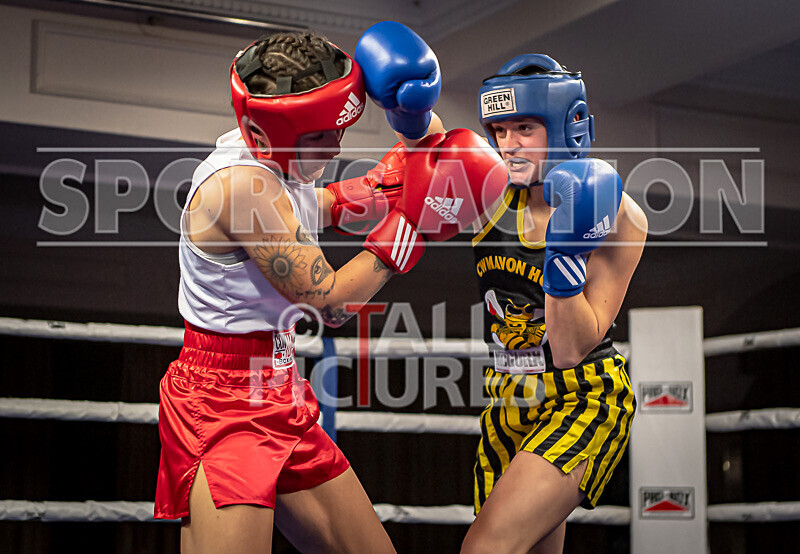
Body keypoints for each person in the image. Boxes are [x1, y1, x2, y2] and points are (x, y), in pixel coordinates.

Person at [153, 29, 504, 553]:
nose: (336, 147)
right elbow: (331, 302)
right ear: (263, 132)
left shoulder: (272, 159)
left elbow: (321, 205)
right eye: (319, 137)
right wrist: (415, 222)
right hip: (223, 402)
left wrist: (413, 128)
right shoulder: (241, 189)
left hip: (275, 387)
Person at [458, 55, 649, 553]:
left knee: (486, 548)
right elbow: (428, 146)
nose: (509, 145)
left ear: (570, 126)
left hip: (582, 394)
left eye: (525, 128)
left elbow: (568, 349)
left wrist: (565, 256)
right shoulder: (488, 189)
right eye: (499, 130)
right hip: (508, 393)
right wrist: (406, 110)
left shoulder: (619, 216)